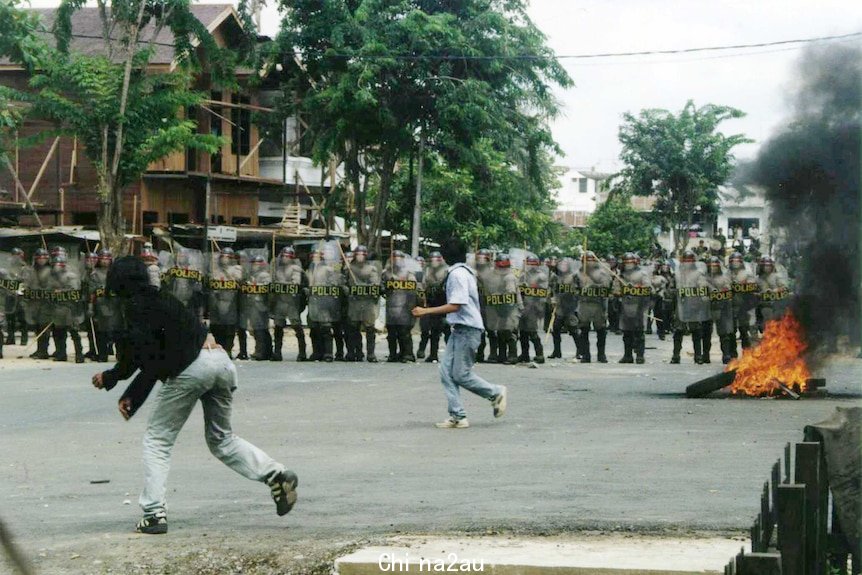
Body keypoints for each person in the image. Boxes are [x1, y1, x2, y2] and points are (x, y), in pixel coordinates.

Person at [90, 256, 297, 534]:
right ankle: (276, 474)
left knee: (157, 440)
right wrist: (132, 392)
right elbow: (155, 358)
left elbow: (140, 356)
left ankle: (153, 514)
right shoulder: (167, 299)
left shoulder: (136, 307)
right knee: (222, 439)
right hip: (220, 362)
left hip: (192, 368)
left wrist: (113, 378)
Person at [412, 237, 507, 429]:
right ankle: (457, 415)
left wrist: (426, 311)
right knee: (446, 371)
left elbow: (456, 304)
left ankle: (495, 392)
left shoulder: (458, 275)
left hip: (468, 329)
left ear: (445, 256)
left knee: (460, 374)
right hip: (460, 329)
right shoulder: (462, 272)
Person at [671, 250, 711, 364]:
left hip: (694, 305)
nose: (687, 263)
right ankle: (676, 355)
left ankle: (698, 356)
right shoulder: (677, 273)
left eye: (689, 261)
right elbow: (672, 286)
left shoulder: (698, 273)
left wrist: (703, 298)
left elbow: (703, 287)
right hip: (680, 305)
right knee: (678, 331)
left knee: (696, 331)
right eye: (685, 261)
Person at [270, 246, 308, 362]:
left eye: (288, 256)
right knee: (278, 328)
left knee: (297, 327)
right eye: (284, 256)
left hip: (292, 302)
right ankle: (277, 353)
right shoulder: (277, 268)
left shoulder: (296, 268)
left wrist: (280, 284)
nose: (286, 258)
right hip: (280, 302)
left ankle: (302, 353)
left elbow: (295, 283)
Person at [382, 251, 421, 362]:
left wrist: (399, 282)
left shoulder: (408, 273)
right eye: (394, 257)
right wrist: (387, 285)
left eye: (398, 257)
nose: (396, 260)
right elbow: (380, 288)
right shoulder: (386, 273)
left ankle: (407, 354)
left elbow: (414, 288)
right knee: (392, 334)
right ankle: (392, 354)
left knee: (404, 333)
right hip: (391, 307)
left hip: (405, 306)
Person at [614, 253, 650, 364]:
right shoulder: (620, 275)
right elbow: (615, 290)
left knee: (639, 332)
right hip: (625, 307)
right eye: (626, 262)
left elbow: (648, 288)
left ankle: (640, 356)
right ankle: (627, 355)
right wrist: (620, 291)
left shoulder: (642, 274)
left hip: (639, 306)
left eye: (630, 262)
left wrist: (635, 288)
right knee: (627, 333)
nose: (628, 265)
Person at [576, 251, 611, 363]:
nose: (588, 263)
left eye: (591, 260)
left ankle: (601, 355)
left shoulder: (602, 273)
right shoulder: (578, 273)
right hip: (584, 304)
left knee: (601, 330)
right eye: (586, 261)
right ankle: (586, 355)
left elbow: (606, 287)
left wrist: (592, 285)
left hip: (598, 304)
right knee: (584, 330)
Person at [207, 247, 242, 357]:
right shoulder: (215, 270)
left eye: (226, 257)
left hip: (231, 301)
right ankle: (219, 348)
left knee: (229, 328)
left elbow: (238, 279)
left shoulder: (236, 268)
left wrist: (227, 270)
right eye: (222, 256)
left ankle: (228, 350)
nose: (224, 259)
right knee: (217, 328)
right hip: (217, 301)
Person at [517, 255, 548, 364]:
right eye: (529, 263)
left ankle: (539, 354)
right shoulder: (523, 275)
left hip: (534, 307)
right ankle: (524, 354)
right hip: (523, 307)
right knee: (522, 332)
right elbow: (518, 290)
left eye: (533, 263)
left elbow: (543, 292)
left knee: (532, 331)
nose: (531, 265)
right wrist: (522, 285)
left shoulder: (541, 276)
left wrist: (530, 287)